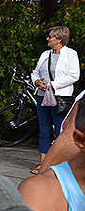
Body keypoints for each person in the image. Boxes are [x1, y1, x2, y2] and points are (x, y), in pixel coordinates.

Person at [30, 25, 80, 174]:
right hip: (42, 95)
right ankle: (43, 163)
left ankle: (61, 164)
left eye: (50, 36)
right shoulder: (45, 54)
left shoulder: (70, 54)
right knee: (44, 130)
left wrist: (53, 84)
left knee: (60, 130)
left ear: (58, 39)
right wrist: (37, 81)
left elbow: (74, 75)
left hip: (60, 96)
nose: (48, 38)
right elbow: (35, 72)